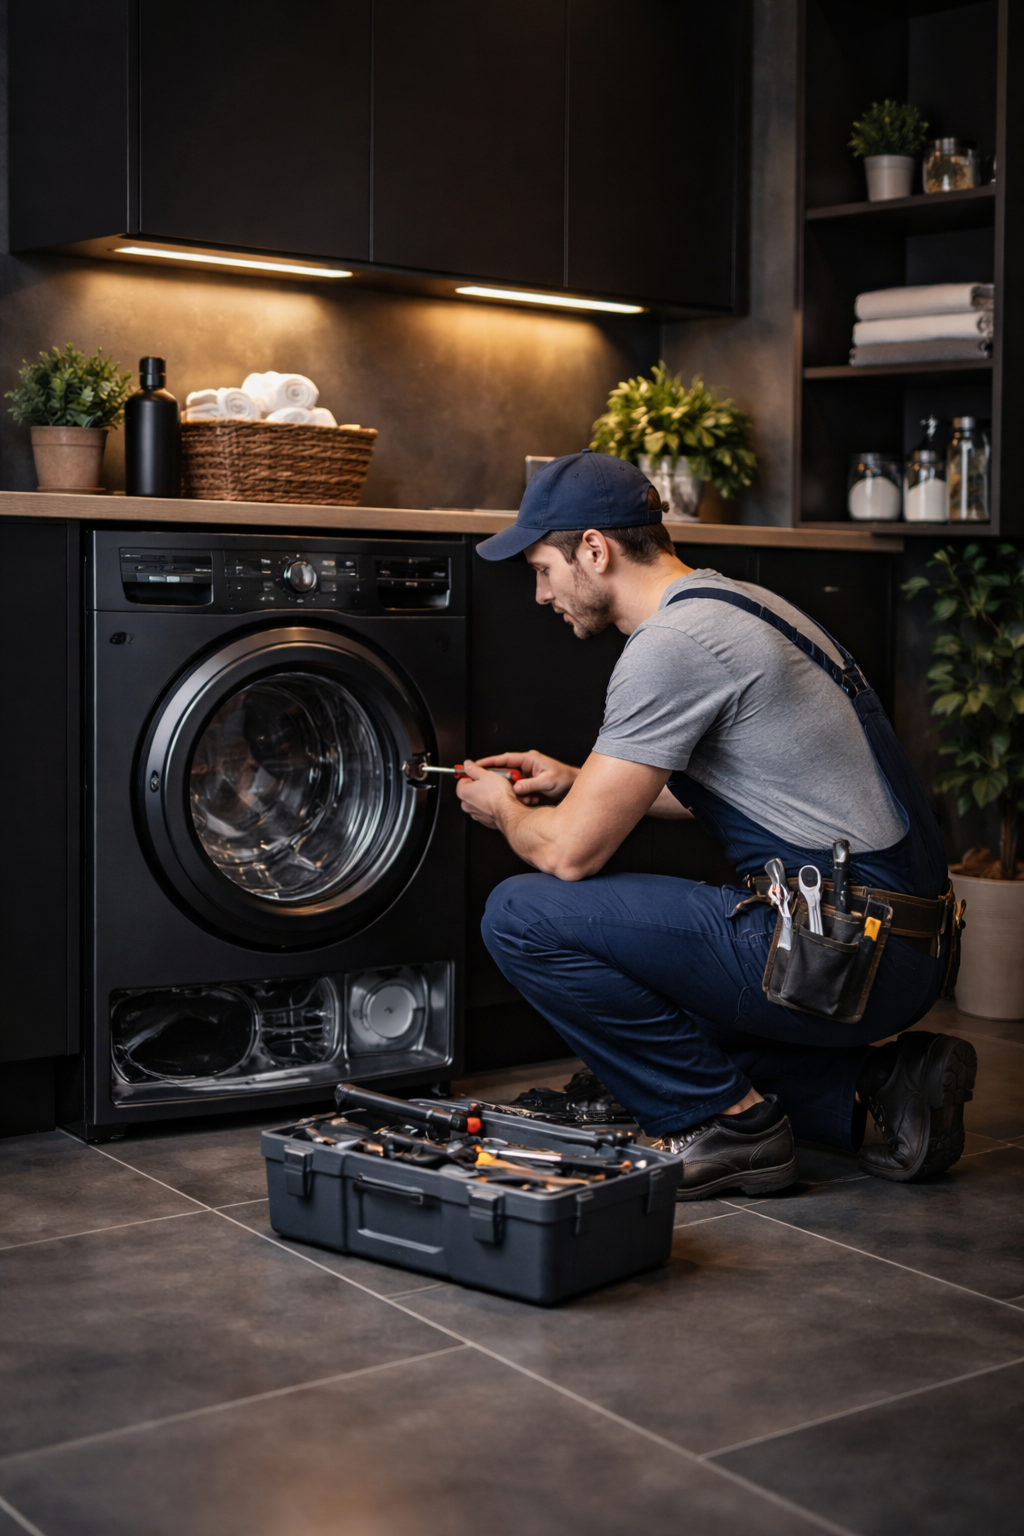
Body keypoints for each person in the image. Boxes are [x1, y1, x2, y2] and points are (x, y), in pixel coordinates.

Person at [456, 449, 976, 1199]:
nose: (540, 594)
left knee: (521, 915)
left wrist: (502, 808)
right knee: (639, 1039)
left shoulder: (670, 647)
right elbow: (758, 789)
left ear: (594, 551)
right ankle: (881, 1085)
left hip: (845, 956)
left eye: (542, 569)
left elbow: (570, 854)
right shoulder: (736, 605)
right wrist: (582, 781)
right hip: (895, 941)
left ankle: (730, 1126)